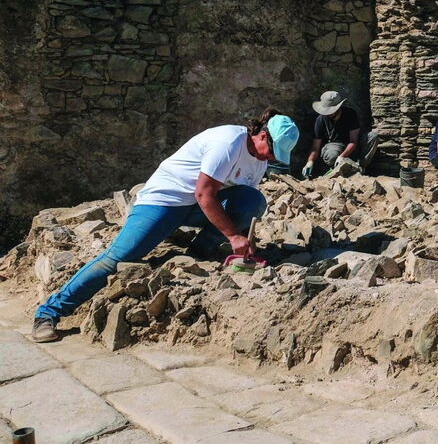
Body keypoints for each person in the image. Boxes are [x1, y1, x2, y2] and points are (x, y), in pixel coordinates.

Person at [32, 108, 300, 343]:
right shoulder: (228, 142)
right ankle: (49, 313)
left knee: (252, 201)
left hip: (198, 206)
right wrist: (232, 236)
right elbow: (204, 194)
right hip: (165, 201)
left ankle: (196, 254)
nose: (272, 160)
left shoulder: (260, 160)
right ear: (263, 135)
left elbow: (236, 200)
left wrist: (244, 238)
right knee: (119, 257)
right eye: (273, 152)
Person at [301, 91, 379, 178]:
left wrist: (342, 156)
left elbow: (353, 141)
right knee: (332, 155)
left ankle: (360, 167)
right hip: (334, 145)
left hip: (352, 145)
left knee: (373, 136)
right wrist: (310, 162)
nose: (329, 113)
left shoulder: (350, 114)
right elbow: (315, 147)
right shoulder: (320, 120)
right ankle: (338, 170)